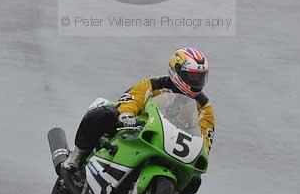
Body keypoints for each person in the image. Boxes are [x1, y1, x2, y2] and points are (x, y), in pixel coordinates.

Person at [63, 48, 215, 182]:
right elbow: (133, 98)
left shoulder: (204, 106)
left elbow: (205, 136)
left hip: (169, 144)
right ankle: (77, 156)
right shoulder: (154, 84)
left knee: (194, 181)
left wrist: (200, 150)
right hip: (137, 129)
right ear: (176, 71)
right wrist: (127, 113)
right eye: (192, 76)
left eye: (200, 77)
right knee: (103, 114)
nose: (197, 81)